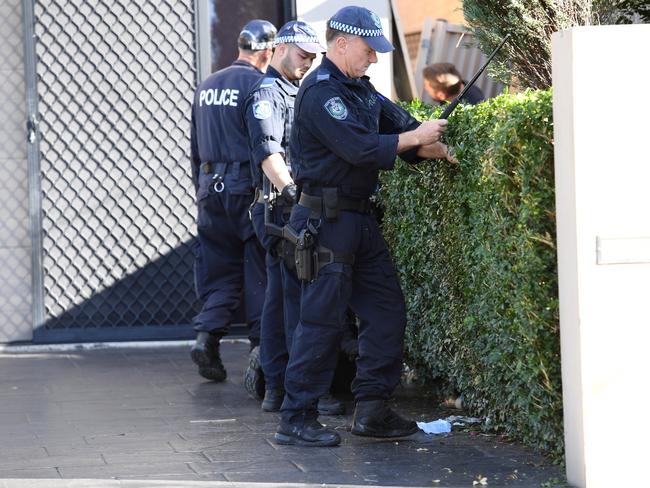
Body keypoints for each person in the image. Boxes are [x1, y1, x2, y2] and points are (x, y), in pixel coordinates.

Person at [275, 6, 457, 447]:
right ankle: (295, 419)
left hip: (358, 219)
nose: (374, 59)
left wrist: (436, 147)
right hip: (325, 220)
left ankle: (372, 410)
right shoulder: (320, 93)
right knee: (321, 322)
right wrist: (415, 139)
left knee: (386, 310)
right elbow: (359, 148)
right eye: (368, 50)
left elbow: (404, 131)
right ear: (341, 43)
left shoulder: (362, 90)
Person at [243, 21, 345, 416]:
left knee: (280, 300)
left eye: (313, 58)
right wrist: (293, 193)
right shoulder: (268, 93)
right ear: (281, 48)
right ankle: (305, 391)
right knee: (300, 303)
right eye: (303, 56)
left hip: (289, 208)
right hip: (284, 208)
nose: (308, 64)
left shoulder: (294, 90)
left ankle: (279, 388)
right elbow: (269, 153)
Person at [188, 20, 276, 382]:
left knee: (220, 270)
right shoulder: (261, 84)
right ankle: (261, 353)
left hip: (211, 187)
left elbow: (195, 146)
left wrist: (201, 187)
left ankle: (207, 337)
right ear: (268, 52)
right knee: (259, 268)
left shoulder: (206, 86)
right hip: (247, 186)